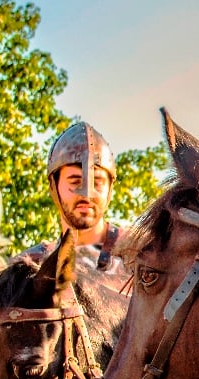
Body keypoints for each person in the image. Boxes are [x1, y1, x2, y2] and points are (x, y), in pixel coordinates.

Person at [22, 121, 130, 290]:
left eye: (98, 182)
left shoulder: (142, 257)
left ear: (110, 188)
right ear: (54, 185)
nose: (87, 194)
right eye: (75, 181)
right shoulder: (30, 266)